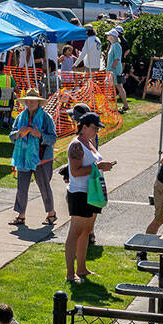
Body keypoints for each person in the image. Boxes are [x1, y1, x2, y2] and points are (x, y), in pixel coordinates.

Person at [65, 112, 116, 283]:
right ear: (84, 126)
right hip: (79, 193)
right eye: (94, 128)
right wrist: (98, 166)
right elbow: (75, 172)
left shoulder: (89, 142)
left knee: (86, 231)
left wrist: (100, 167)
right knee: (75, 232)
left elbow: (92, 164)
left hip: (92, 192)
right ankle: (70, 273)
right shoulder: (76, 146)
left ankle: (81, 268)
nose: (96, 131)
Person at [9, 90, 58, 226]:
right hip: (23, 157)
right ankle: (21, 216)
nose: (30, 103)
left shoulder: (46, 118)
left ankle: (51, 214)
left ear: (38, 102)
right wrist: (18, 134)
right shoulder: (20, 117)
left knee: (44, 186)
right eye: (28, 100)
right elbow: (11, 135)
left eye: (33, 100)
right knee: (22, 187)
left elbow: (53, 138)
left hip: (42, 158)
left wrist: (40, 135)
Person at [105, 30, 127, 112]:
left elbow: (117, 58)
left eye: (108, 35)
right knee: (116, 87)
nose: (107, 36)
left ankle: (125, 105)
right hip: (112, 70)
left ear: (112, 36)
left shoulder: (116, 45)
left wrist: (111, 68)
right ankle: (124, 105)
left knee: (118, 87)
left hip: (114, 70)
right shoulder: (113, 45)